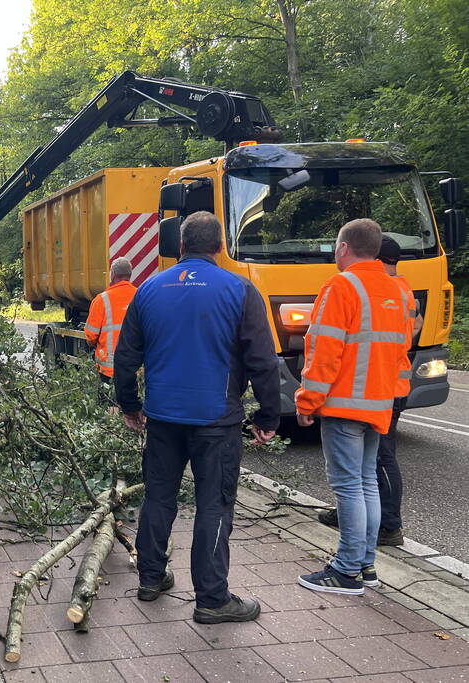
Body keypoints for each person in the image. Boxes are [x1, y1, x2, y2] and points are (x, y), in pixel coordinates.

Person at [113, 211, 279, 624]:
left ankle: (151, 578)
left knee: (158, 496)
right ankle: (212, 598)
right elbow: (262, 360)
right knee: (214, 505)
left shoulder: (148, 288)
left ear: (181, 246)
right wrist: (268, 415)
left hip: (164, 419)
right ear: (220, 247)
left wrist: (130, 405)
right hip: (216, 421)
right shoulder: (240, 290)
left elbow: (125, 357)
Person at [295, 220, 412, 595]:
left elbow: (324, 351)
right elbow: (399, 350)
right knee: (366, 484)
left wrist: (308, 400)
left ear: (343, 248)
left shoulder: (341, 286)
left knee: (347, 487)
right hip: (379, 404)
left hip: (343, 405)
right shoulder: (395, 290)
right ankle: (366, 565)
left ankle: (345, 571)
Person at [318, 235, 422, 550]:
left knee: (373, 466)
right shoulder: (401, 292)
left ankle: (384, 530)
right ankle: (365, 543)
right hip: (385, 388)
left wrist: (311, 399)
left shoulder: (361, 288)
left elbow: (334, 348)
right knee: (366, 473)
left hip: (373, 390)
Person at [84, 256, 137, 389]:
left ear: (112, 274)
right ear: (130, 275)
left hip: (109, 369)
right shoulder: (140, 296)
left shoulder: (102, 299)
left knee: (109, 405)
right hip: (136, 366)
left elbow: (91, 336)